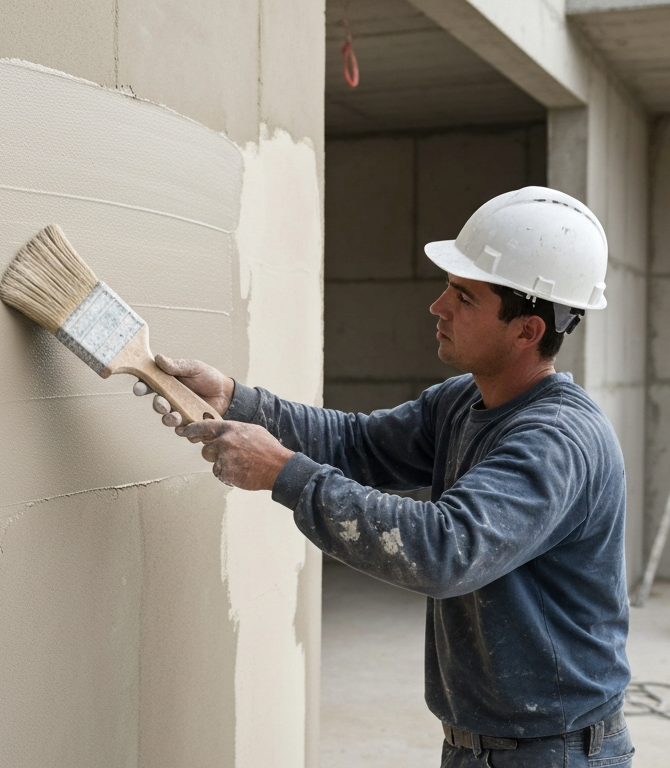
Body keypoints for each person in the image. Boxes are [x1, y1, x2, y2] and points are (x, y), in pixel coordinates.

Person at [135, 187, 634, 767]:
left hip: (555, 753)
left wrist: (283, 473)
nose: (438, 306)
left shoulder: (556, 442)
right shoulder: (463, 402)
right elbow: (360, 443)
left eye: (464, 296)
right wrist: (239, 400)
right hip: (484, 744)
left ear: (526, 330)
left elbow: (444, 549)